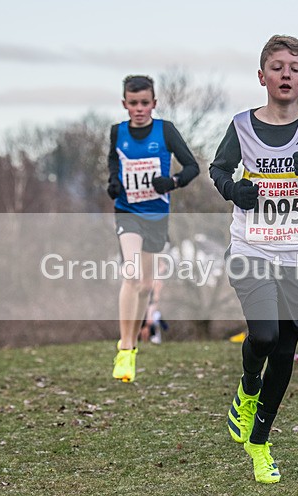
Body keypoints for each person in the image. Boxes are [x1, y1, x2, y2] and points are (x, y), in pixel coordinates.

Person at [210, 35, 298, 483]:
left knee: (287, 350)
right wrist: (235, 190)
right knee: (264, 336)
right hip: (251, 249)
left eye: (294, 68)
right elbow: (218, 169)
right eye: (277, 67)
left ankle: (259, 442)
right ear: (262, 76)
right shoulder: (242, 125)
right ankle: (248, 387)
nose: (285, 74)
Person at [107, 75, 199, 382]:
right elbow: (112, 165)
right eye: (133, 103)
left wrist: (171, 182)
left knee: (146, 286)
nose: (139, 109)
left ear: (154, 104)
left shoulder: (166, 131)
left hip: (156, 216)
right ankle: (125, 348)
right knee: (130, 275)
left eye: (144, 103)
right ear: (124, 104)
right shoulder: (117, 133)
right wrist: (114, 183)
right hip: (127, 213)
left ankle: (132, 344)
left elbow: (192, 168)